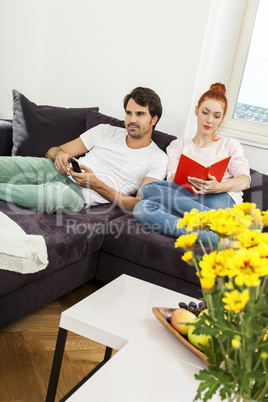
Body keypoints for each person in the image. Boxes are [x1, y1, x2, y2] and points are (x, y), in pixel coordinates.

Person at [0, 87, 168, 214]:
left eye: (140, 114)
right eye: (129, 113)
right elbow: (54, 150)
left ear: (154, 119)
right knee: (9, 165)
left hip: (78, 194)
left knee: (45, 196)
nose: (132, 120)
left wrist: (96, 184)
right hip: (62, 170)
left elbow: (139, 204)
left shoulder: (158, 158)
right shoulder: (105, 130)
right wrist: (59, 155)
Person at [133, 83, 251, 245]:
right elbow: (172, 177)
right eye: (205, 112)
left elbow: (245, 180)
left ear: (222, 118)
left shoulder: (230, 145)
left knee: (148, 192)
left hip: (219, 199)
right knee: (143, 204)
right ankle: (221, 236)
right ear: (196, 111)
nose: (209, 120)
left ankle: (218, 221)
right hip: (185, 199)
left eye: (216, 116)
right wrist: (187, 179)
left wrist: (218, 187)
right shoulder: (177, 146)